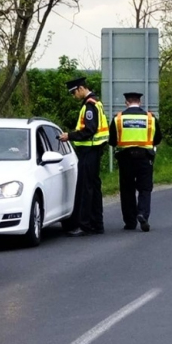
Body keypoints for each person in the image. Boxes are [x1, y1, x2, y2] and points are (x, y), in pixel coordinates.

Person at [59, 76, 109, 237]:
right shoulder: (96, 102)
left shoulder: (89, 106)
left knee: (86, 189)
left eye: (74, 92)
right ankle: (97, 223)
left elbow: (89, 130)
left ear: (81, 88)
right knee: (94, 188)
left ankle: (85, 225)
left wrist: (70, 136)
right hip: (94, 151)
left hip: (89, 152)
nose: (74, 96)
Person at [108, 92, 162, 232]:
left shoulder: (118, 118)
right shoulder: (150, 118)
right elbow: (157, 139)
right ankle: (142, 214)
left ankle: (130, 222)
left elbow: (112, 141)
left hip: (125, 158)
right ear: (140, 102)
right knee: (145, 188)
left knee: (127, 190)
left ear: (126, 102)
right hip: (145, 158)